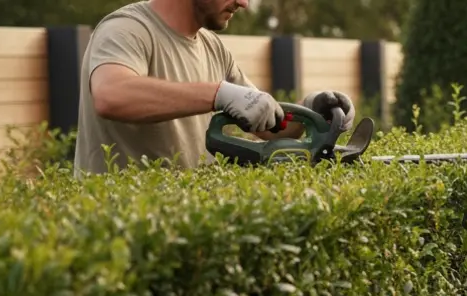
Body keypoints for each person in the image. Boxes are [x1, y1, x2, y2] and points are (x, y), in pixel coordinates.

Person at [72, 0, 356, 175]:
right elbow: (112, 96)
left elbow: (269, 126)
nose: (243, 3)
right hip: (123, 236)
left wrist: (313, 110)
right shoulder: (126, 30)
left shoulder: (213, 48)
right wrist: (217, 94)